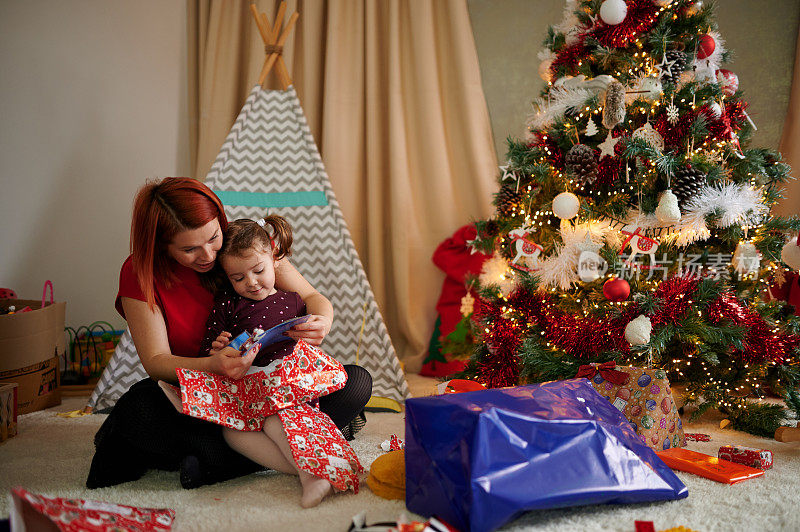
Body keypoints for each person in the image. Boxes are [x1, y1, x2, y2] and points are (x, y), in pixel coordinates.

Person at [86, 177, 372, 490]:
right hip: (208, 393)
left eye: (213, 238)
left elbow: (314, 298)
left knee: (355, 382)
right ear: (162, 247)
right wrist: (213, 365)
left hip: (269, 382)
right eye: (189, 249)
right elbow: (155, 361)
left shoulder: (242, 244)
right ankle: (256, 454)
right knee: (140, 407)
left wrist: (322, 321)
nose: (208, 255)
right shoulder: (140, 272)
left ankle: (218, 460)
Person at [160, 214, 359, 507]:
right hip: (247, 386)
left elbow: (313, 317)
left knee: (281, 420)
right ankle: (319, 470)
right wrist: (217, 349)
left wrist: (316, 325)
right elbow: (208, 353)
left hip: (287, 383)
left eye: (258, 271)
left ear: (274, 259)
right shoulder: (227, 305)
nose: (251, 283)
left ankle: (312, 476)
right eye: (238, 278)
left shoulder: (292, 300)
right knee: (233, 435)